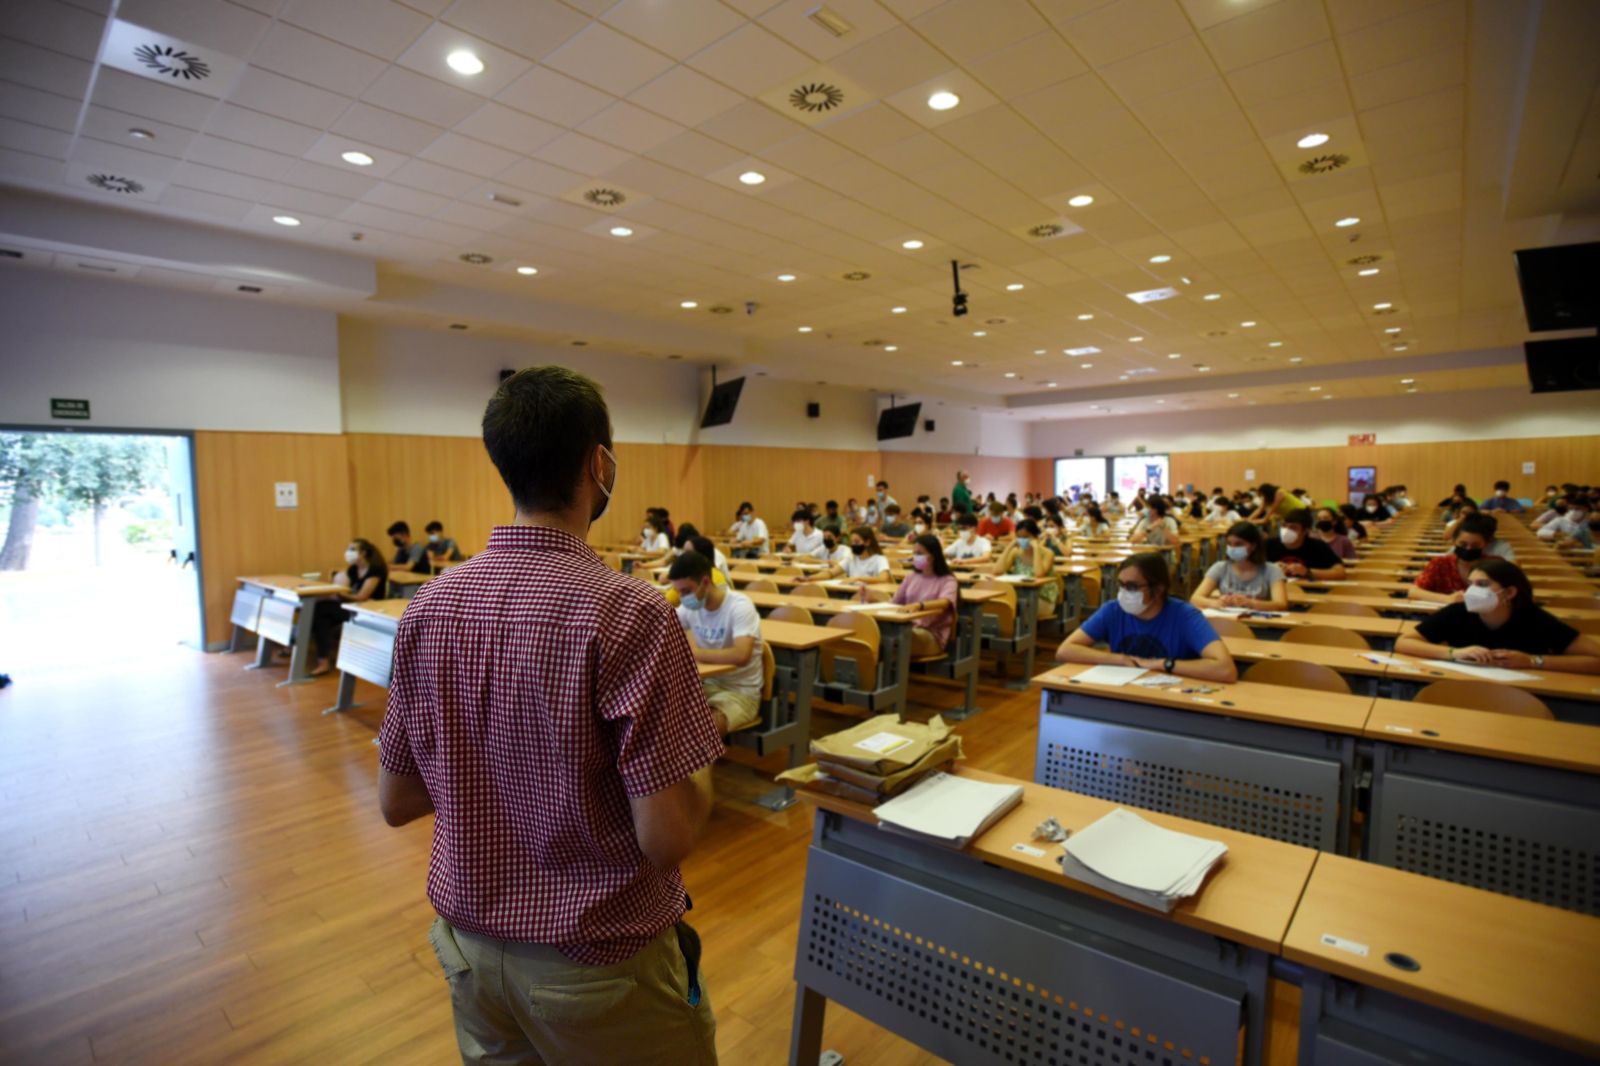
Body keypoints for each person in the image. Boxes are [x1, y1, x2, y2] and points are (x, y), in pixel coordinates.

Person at [378, 366, 721, 1064]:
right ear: (601, 466)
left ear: (503, 462)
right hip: (598, 963)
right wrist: (702, 751)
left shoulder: (429, 608)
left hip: (469, 952)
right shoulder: (631, 612)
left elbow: (398, 799)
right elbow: (669, 838)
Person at [1396, 559, 1600, 674]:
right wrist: (1453, 652)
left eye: (1482, 585)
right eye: (1471, 584)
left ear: (1509, 593)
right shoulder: (1459, 611)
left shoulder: (1535, 619)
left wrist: (1533, 661)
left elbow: (1595, 659)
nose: (1471, 591)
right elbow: (1404, 643)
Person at [1056, 553, 1237, 682]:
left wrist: (1162, 664)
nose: (1125, 593)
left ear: (1158, 589)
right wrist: (1120, 660)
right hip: (1125, 692)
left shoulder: (1184, 616)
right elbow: (1065, 650)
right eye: (1121, 585)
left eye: (1133, 587)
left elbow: (1225, 669)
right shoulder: (1113, 610)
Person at [668, 551, 765, 734]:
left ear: (706, 582)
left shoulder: (740, 607)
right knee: (657, 717)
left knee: (701, 733)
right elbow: (662, 629)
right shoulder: (688, 609)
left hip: (740, 694)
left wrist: (695, 653)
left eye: (686, 591)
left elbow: (741, 655)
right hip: (705, 685)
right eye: (678, 592)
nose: (682, 598)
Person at [310, 538, 388, 675]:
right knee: (319, 611)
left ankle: (323, 660)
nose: (348, 552)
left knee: (320, 612)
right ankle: (322, 659)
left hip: (367, 609)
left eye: (352, 549)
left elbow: (362, 597)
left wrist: (339, 594)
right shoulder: (353, 569)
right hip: (352, 606)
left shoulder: (375, 570)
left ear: (363, 552)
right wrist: (334, 591)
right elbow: (345, 588)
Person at [873, 534, 959, 658]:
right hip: (907, 627)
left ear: (933, 556)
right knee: (876, 633)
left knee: (891, 640)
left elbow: (945, 602)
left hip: (931, 634)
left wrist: (919, 606)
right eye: (914, 553)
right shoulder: (911, 577)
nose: (915, 557)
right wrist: (874, 600)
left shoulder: (948, 580)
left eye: (920, 553)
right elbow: (894, 603)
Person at [1191, 522, 1288, 611]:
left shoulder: (1272, 570)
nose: (1233, 548)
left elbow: (1281, 604)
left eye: (1239, 544)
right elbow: (1195, 598)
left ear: (1253, 546)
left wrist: (1250, 603)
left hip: (1260, 624)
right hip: (1226, 623)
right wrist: (1217, 603)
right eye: (1229, 544)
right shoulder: (1220, 567)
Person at [1409, 514, 1498, 603]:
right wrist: (1448, 599)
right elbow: (1413, 592)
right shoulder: (1440, 563)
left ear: (1485, 544)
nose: (1468, 548)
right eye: (1463, 544)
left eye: (1475, 545)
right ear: (1454, 541)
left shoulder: (1495, 564)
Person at [992, 519, 1060, 616]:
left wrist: (1036, 548)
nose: (1022, 540)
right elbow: (997, 571)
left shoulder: (1048, 553)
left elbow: (1039, 574)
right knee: (1000, 604)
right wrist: (1008, 548)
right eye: (1019, 537)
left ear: (1035, 537)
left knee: (1012, 606)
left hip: (1042, 598)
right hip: (1019, 596)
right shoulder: (1016, 552)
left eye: (1026, 537)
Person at [1266, 509, 1347, 580]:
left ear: (1305, 531)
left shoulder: (1318, 546)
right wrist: (1271, 569)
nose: (1286, 530)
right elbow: (1255, 569)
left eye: (1293, 527)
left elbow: (1340, 572)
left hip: (1309, 593)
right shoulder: (1269, 545)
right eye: (1284, 526)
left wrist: (1307, 572)